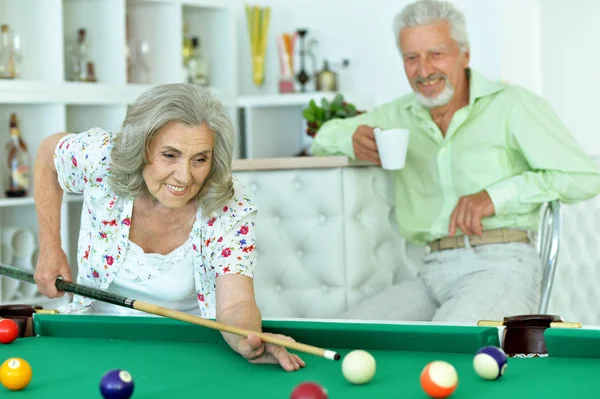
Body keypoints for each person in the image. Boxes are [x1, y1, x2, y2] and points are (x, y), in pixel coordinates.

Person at [311, 0, 600, 323]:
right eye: (411, 58)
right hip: (429, 270)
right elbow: (323, 138)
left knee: (449, 349)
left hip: (502, 264)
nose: (423, 71)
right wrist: (349, 139)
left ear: (465, 54)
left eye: (436, 54)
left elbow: (585, 177)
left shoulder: (512, 105)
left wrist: (496, 196)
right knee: (348, 334)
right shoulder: (397, 114)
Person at [33, 83, 305, 371]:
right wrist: (50, 248)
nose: (185, 176)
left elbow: (236, 305)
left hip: (184, 352)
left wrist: (248, 340)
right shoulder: (103, 159)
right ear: (142, 148)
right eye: (170, 155)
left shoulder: (227, 204)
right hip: (92, 339)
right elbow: (47, 155)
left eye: (200, 159)